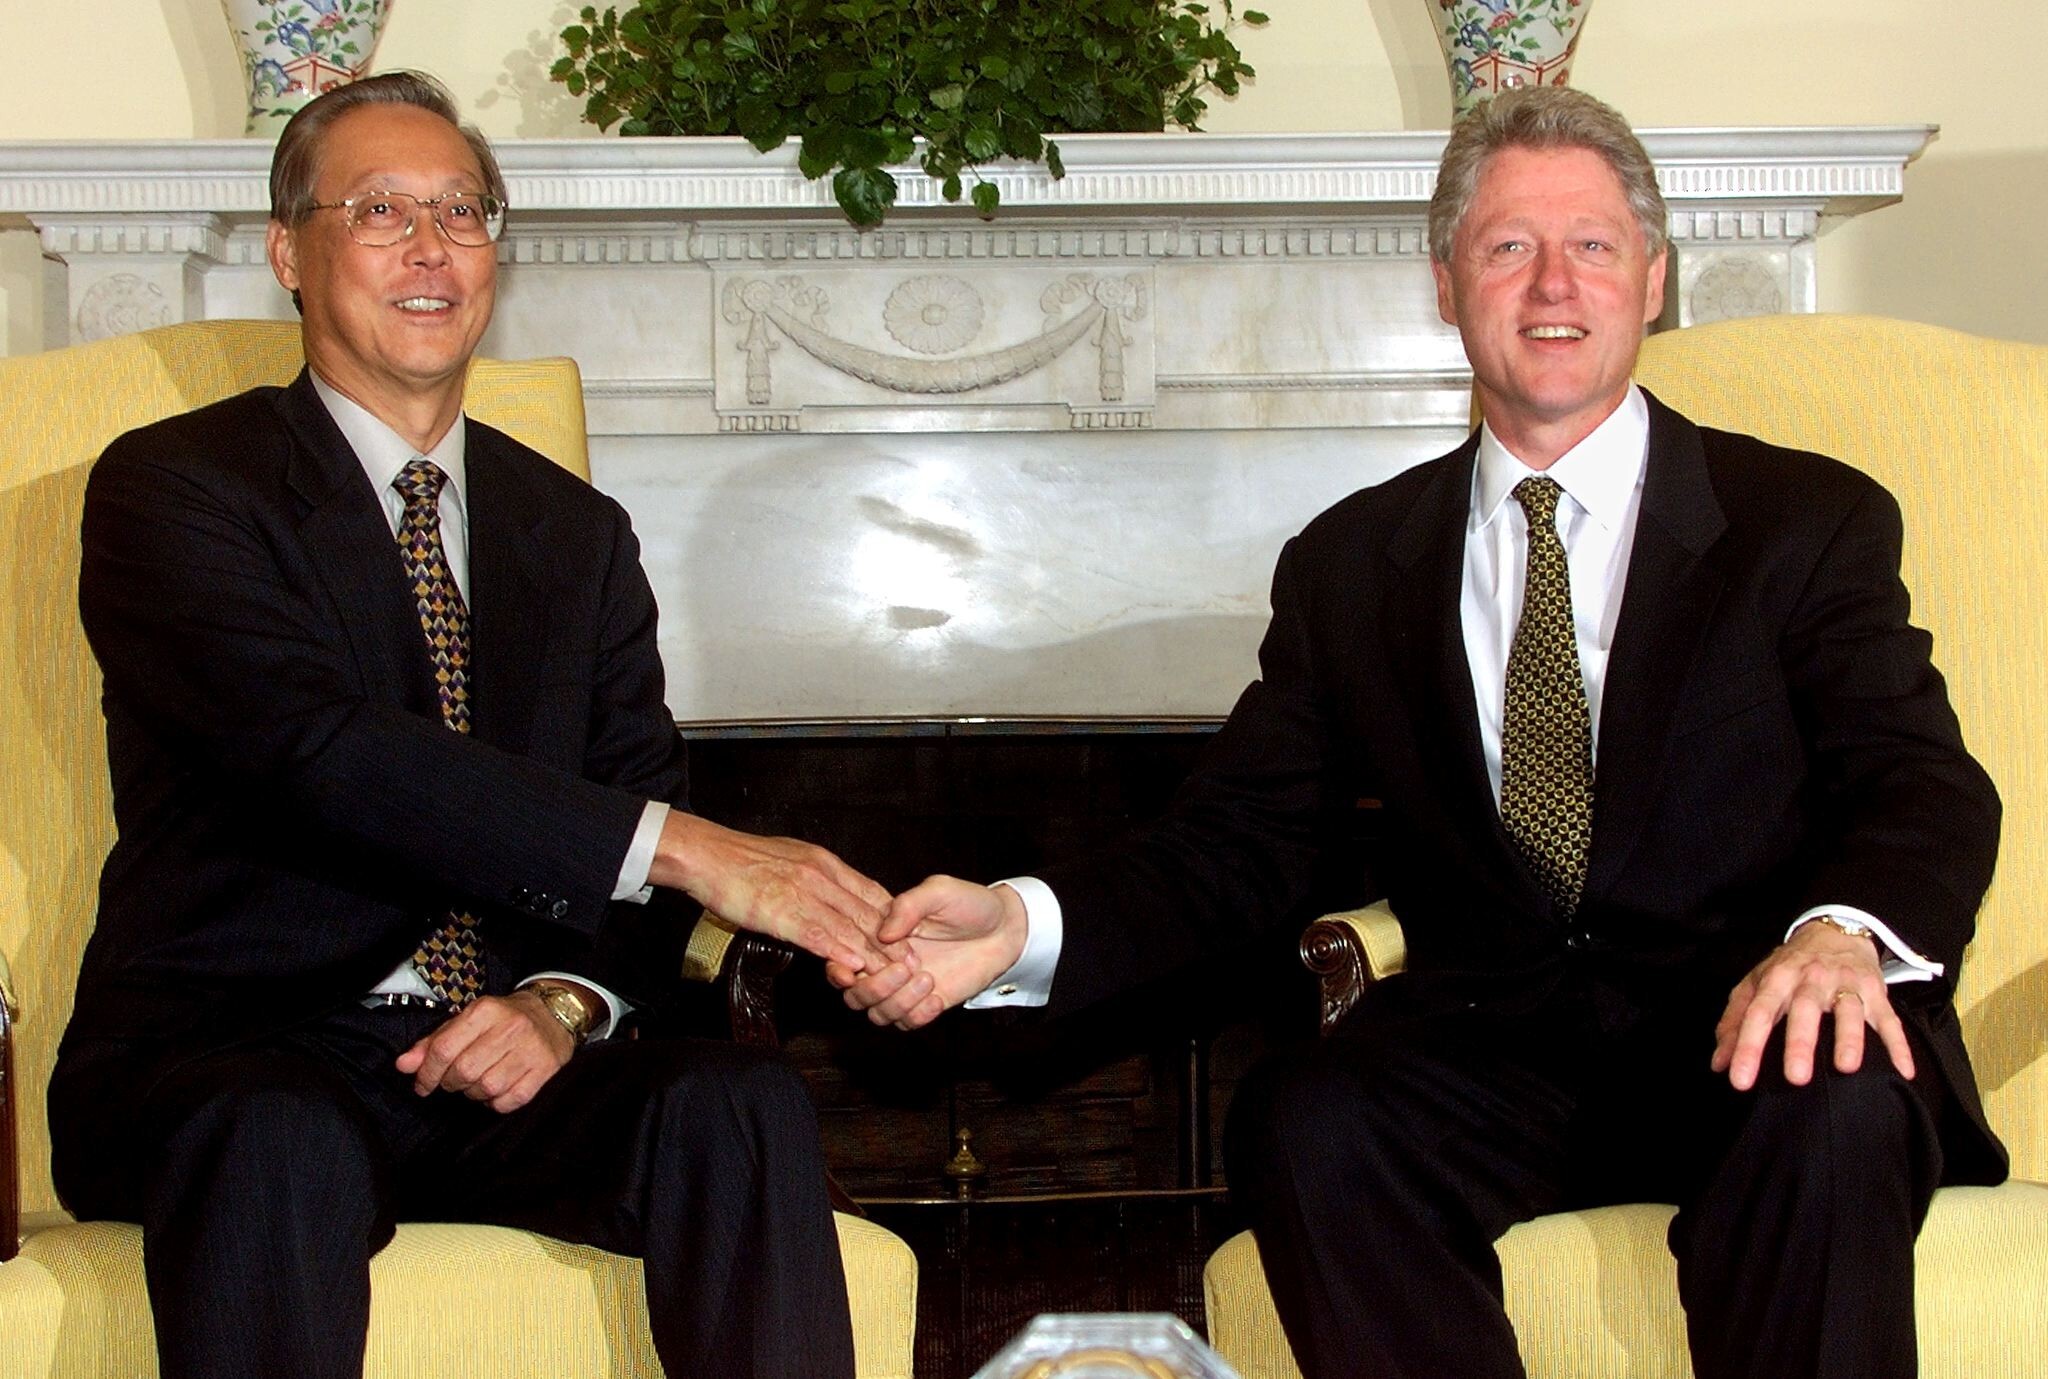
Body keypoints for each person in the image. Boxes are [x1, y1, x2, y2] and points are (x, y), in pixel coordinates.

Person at [838, 86, 2006, 1379]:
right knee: (1309, 1114)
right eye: (1508, 247)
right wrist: (1024, 924)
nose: (1553, 283)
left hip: (1751, 1032)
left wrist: (1840, 938)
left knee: (1829, 1092)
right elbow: (1239, 840)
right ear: (1447, 286)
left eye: (1594, 246)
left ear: (1654, 281)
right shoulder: (1353, 563)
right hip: (1495, 1054)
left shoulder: (1801, 522)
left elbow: (1917, 781)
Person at [51, 71, 894, 1379]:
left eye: (463, 211)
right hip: (241, 1056)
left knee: (735, 1101)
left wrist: (558, 1005)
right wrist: (692, 846)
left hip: (493, 1059)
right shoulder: (179, 493)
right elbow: (321, 754)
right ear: (289, 251)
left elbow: (625, 816)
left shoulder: (574, 534)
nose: (431, 248)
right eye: (381, 211)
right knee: (279, 1132)